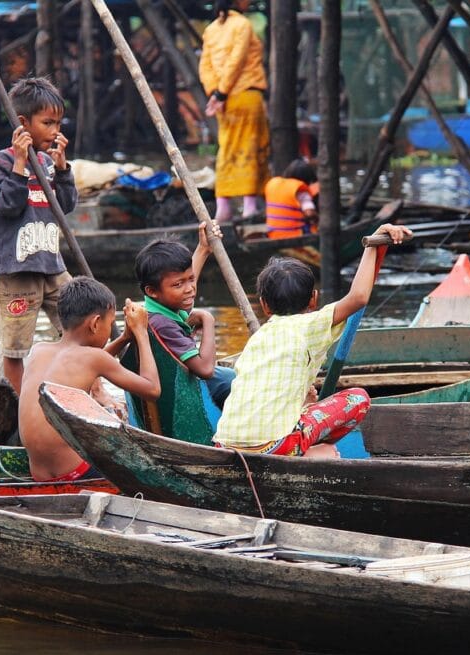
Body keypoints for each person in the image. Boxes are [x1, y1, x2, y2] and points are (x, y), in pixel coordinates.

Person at [214, 223, 413, 457]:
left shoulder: (259, 339)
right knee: (358, 398)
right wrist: (372, 242)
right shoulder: (309, 325)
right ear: (313, 300)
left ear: (264, 305)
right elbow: (358, 297)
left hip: (225, 445)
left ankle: (304, 444)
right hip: (275, 446)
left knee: (308, 400)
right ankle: (313, 451)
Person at [18, 277, 161, 482]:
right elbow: (152, 389)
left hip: (39, 474)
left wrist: (123, 339)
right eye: (110, 324)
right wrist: (141, 333)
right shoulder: (94, 359)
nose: (110, 329)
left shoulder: (38, 351)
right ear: (95, 323)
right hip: (75, 473)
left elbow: (91, 364)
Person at [0, 76, 77, 395]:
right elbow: (6, 206)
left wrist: (63, 170)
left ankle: (89, 391)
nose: (55, 131)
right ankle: (24, 405)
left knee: (80, 323)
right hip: (15, 271)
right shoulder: (4, 161)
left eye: (58, 123)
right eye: (47, 123)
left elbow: (64, 207)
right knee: (15, 348)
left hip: (52, 265)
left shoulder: (48, 163)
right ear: (23, 123)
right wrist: (20, 164)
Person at [134, 223, 234, 408]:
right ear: (152, 291)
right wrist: (207, 319)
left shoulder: (161, 305)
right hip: (178, 393)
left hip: (177, 382)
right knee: (233, 380)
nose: (190, 289)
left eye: (191, 280)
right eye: (178, 285)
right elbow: (205, 369)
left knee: (230, 375)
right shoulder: (162, 323)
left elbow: (182, 278)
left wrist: (203, 249)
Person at [199, 0, 270, 224]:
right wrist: (221, 93)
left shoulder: (211, 29)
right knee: (250, 146)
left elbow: (205, 66)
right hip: (245, 94)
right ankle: (249, 207)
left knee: (227, 147)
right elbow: (236, 61)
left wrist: (215, 93)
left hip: (224, 100)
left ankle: (224, 207)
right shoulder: (243, 25)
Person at [264, 159, 320, 239]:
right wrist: (318, 219)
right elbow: (310, 213)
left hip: (273, 234)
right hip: (294, 234)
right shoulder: (301, 191)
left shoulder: (273, 183)